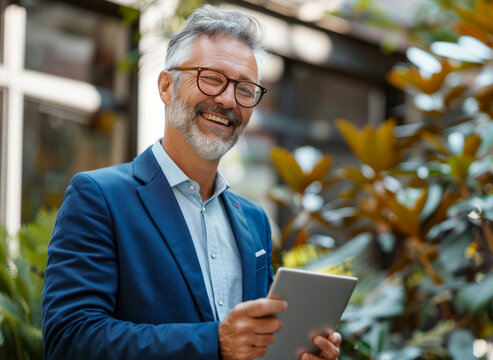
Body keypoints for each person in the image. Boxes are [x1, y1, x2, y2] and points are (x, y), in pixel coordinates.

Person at [41, 4, 341, 360]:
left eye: (245, 89)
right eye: (212, 78)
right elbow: (69, 339)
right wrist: (214, 342)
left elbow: (255, 344)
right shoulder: (99, 197)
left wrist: (294, 352)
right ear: (167, 86)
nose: (228, 100)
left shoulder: (254, 220)